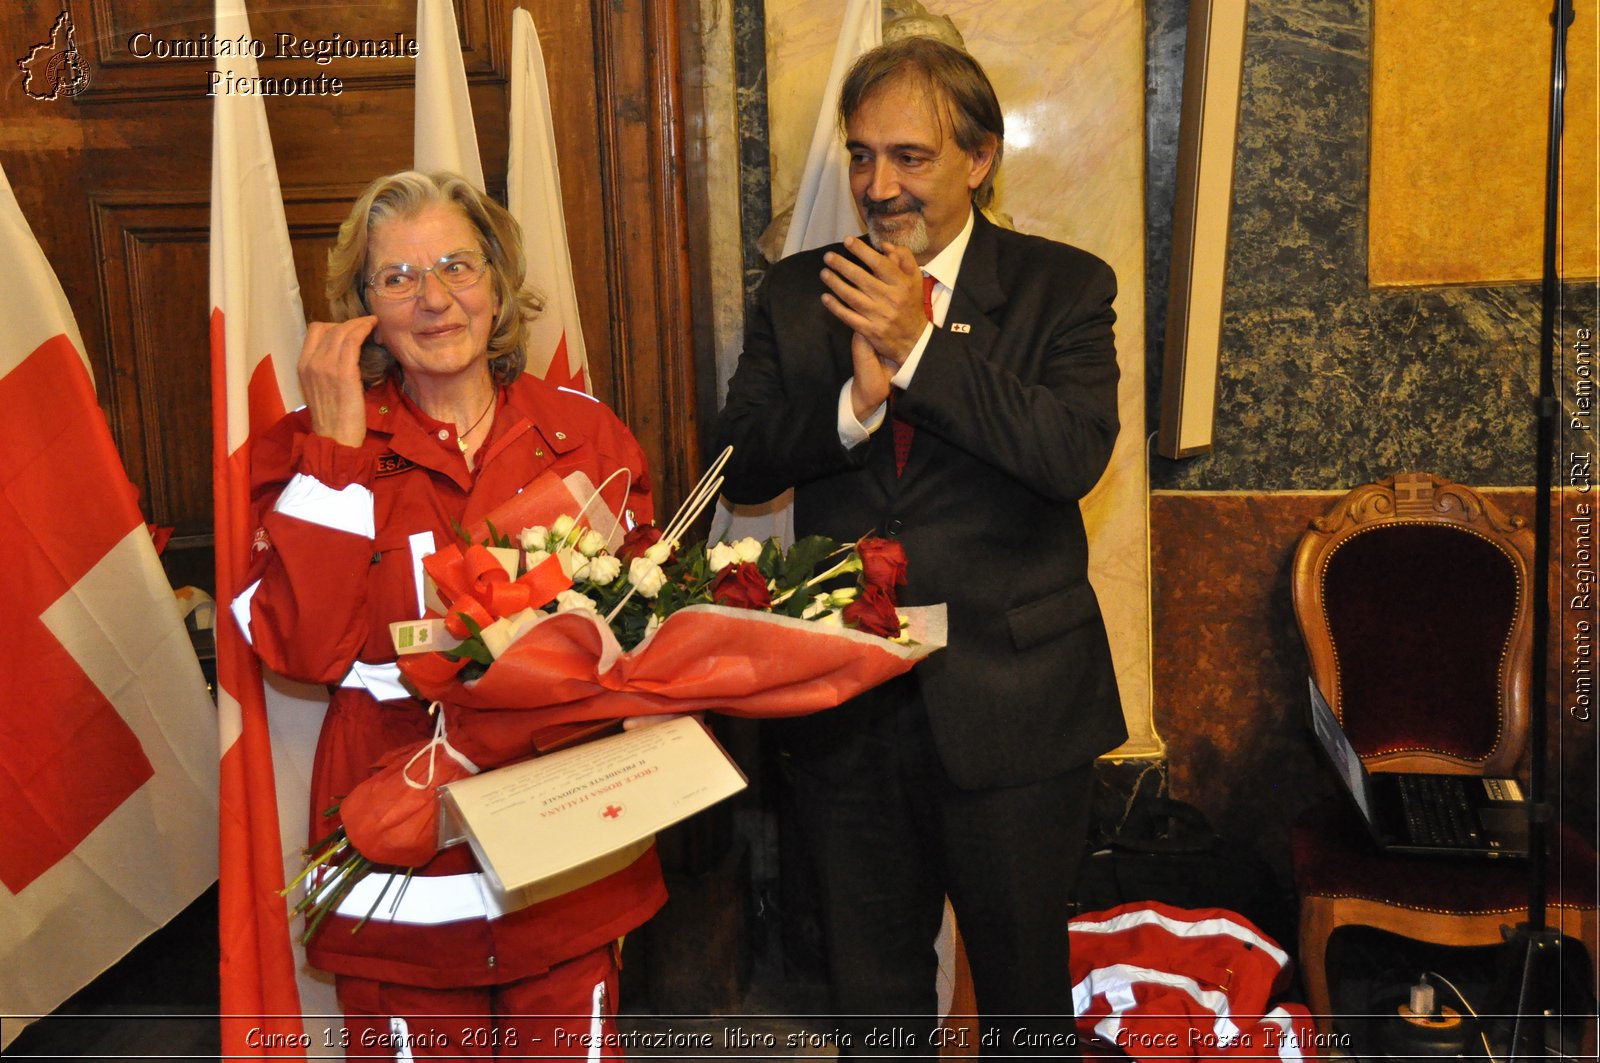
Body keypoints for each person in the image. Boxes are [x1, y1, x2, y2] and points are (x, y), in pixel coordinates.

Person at [714, 37, 1126, 1057]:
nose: (877, 185)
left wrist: (920, 351)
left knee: (1027, 1005)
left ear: (979, 159)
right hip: (848, 712)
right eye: (861, 158)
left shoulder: (1062, 288)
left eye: (910, 157)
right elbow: (742, 465)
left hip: (1015, 708)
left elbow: (1067, 454)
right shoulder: (795, 293)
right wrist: (853, 405)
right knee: (873, 1005)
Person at [239, 170, 661, 1058]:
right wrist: (338, 455)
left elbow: (647, 634)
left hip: (561, 849)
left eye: (457, 266)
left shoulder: (585, 434)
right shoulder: (304, 447)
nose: (433, 300)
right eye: (397, 278)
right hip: (401, 864)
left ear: (499, 282)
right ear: (361, 309)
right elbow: (303, 651)